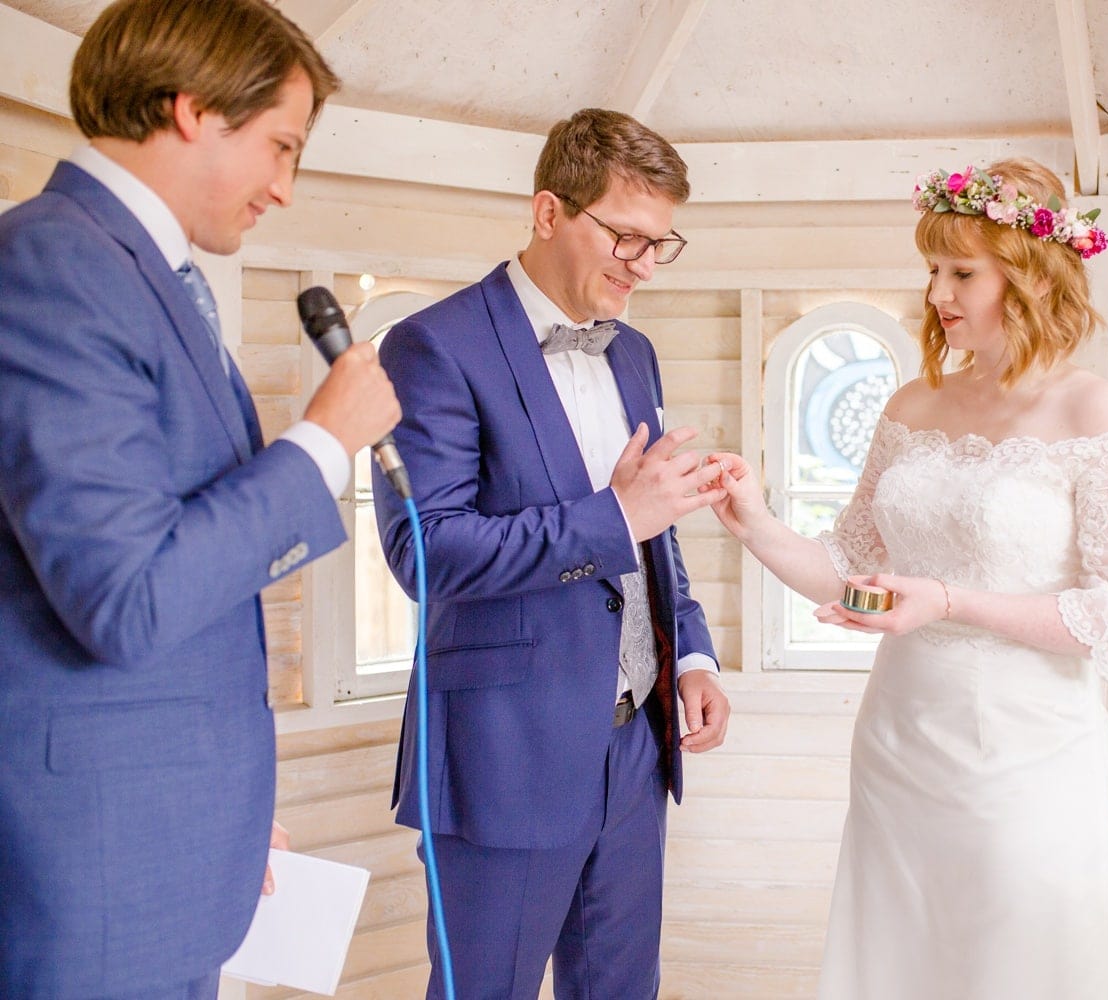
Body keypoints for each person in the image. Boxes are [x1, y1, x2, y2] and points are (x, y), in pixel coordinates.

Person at [0, 0, 401, 997]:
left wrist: (220, 793)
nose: (284, 188)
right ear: (192, 109)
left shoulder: (152, 276)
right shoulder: (52, 265)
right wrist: (322, 443)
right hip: (90, 873)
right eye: (280, 146)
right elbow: (128, 596)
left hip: (165, 844)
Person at [708, 158, 1108, 998]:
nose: (937, 294)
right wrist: (756, 522)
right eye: (932, 270)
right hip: (900, 740)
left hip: (1028, 752)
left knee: (1014, 964)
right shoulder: (911, 407)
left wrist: (951, 602)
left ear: (1029, 277)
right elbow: (850, 573)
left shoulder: (1095, 413)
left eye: (962, 272)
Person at [373, 107, 732, 999]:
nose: (642, 265)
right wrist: (613, 517)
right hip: (503, 757)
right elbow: (428, 550)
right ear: (547, 213)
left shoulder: (636, 353)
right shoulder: (430, 347)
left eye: (661, 244)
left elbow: (654, 530)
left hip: (636, 751)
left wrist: (688, 649)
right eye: (624, 236)